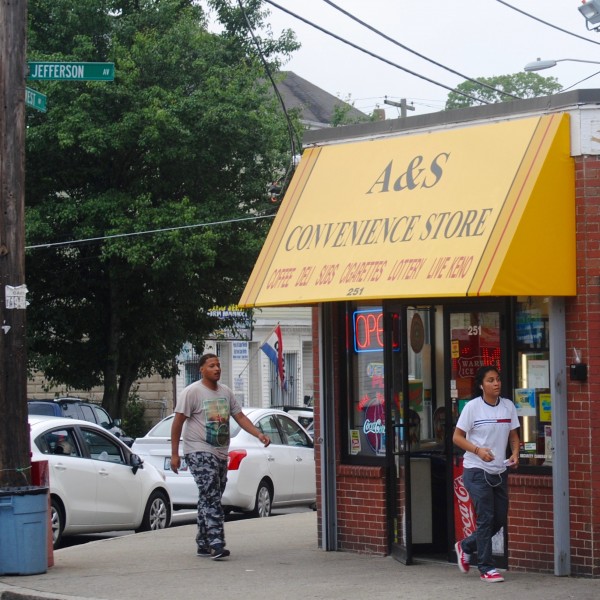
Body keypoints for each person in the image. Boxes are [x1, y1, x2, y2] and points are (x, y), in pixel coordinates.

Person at [170, 353, 270, 560]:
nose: (217, 369)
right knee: (211, 494)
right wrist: (174, 454)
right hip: (198, 450)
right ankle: (216, 543)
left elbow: (240, 416)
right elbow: (178, 422)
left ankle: (202, 543)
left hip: (221, 453)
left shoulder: (226, 392)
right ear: (202, 369)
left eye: (218, 365)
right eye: (211, 366)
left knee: (210, 496)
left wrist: (259, 434)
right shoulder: (193, 392)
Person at [452, 365, 520, 583]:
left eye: (498, 379)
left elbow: (514, 436)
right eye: (490, 380)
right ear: (482, 385)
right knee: (486, 518)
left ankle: (465, 546)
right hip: (476, 469)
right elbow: (457, 437)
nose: (496, 383)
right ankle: (486, 567)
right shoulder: (473, 408)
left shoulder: (508, 406)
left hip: (499, 470)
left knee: (498, 520)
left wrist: (516, 453)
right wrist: (478, 451)